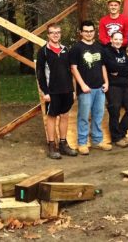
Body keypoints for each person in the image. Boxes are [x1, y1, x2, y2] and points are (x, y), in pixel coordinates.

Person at [35, 24, 78, 159]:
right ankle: (52, 145)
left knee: (65, 116)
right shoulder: (44, 52)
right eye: (52, 33)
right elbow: (40, 73)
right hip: (52, 91)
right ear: (48, 35)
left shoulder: (66, 50)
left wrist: (72, 90)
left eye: (58, 32)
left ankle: (63, 144)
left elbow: (70, 71)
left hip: (66, 90)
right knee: (52, 117)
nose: (55, 35)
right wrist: (45, 92)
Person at [71, 21, 110, 155]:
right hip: (85, 89)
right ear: (81, 32)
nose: (88, 33)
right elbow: (73, 68)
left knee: (98, 115)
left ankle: (97, 141)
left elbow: (103, 66)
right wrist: (82, 85)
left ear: (94, 32)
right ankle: (82, 143)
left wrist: (106, 82)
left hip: (99, 88)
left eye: (91, 31)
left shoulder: (99, 47)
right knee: (83, 116)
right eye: (86, 31)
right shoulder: (76, 48)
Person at [102, 31, 128, 148]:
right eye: (115, 39)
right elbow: (111, 67)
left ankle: (121, 133)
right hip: (113, 86)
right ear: (111, 40)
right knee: (115, 111)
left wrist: (119, 72)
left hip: (125, 85)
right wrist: (123, 71)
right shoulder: (106, 52)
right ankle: (116, 138)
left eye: (120, 39)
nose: (118, 41)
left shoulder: (122, 52)